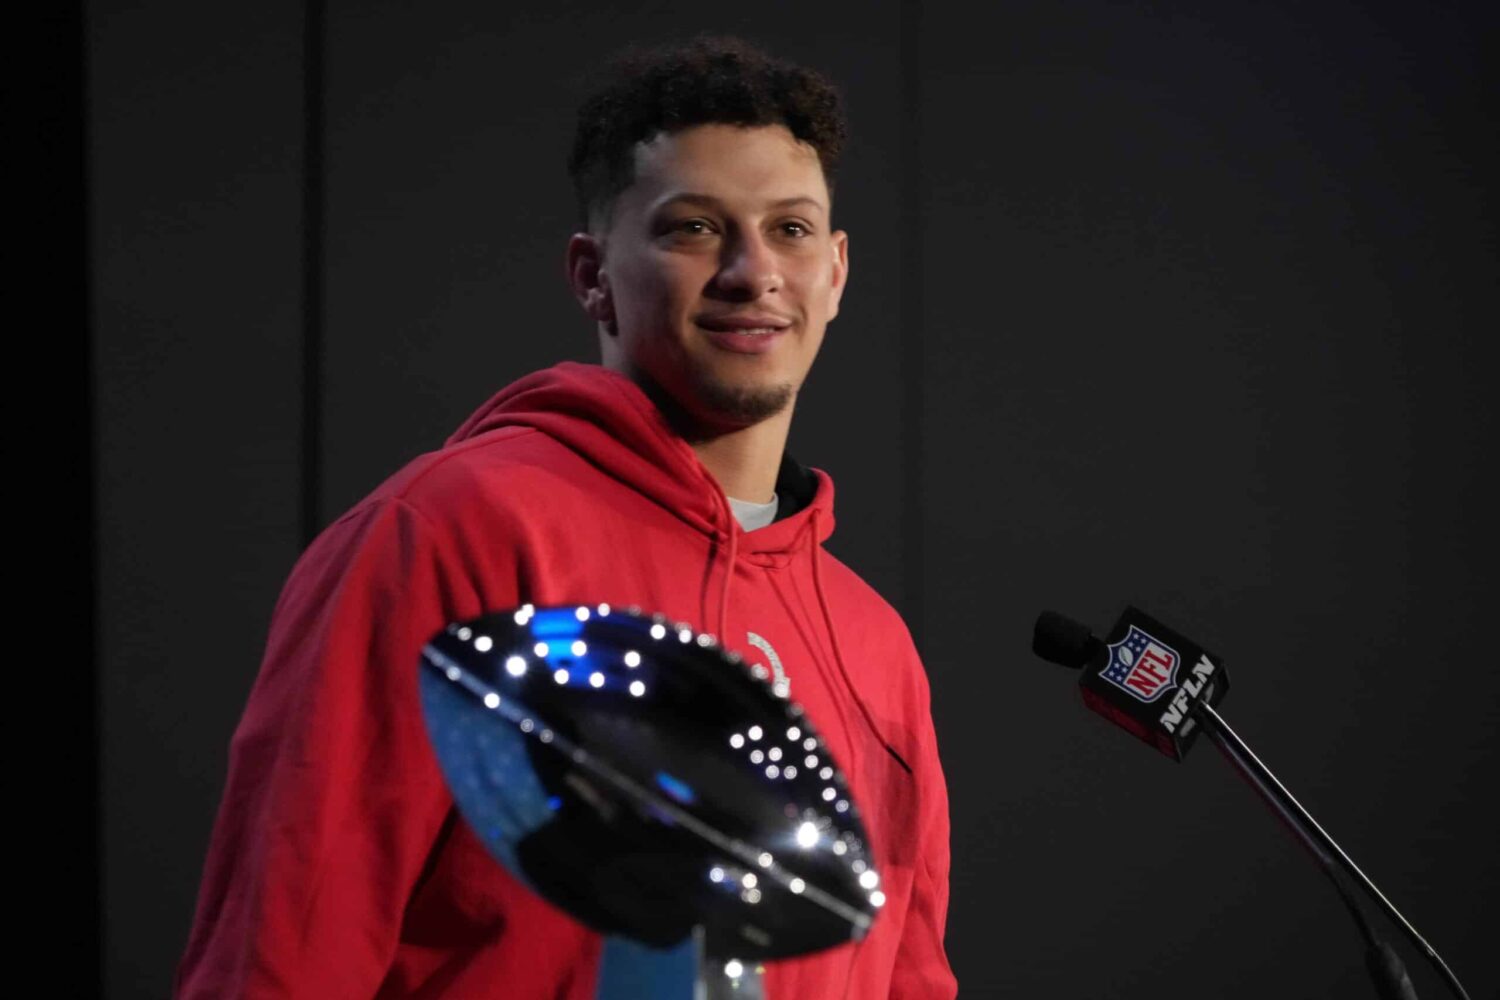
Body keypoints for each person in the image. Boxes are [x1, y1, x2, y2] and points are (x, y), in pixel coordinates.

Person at [176, 36, 956, 999]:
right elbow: (283, 949)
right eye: (695, 229)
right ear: (591, 274)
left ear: (835, 272)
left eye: (790, 230)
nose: (753, 272)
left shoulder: (875, 649)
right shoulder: (455, 533)